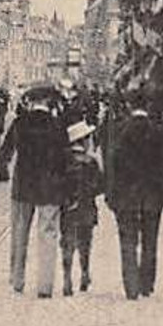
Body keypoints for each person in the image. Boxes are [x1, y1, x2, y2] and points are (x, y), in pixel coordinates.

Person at [0, 89, 70, 298]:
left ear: (31, 102)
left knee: (19, 232)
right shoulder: (58, 126)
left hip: (23, 185)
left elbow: (4, 152)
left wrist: (3, 172)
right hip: (50, 188)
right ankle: (45, 286)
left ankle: (17, 280)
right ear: (49, 102)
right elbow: (66, 159)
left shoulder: (20, 123)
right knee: (48, 234)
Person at [103, 97, 163, 299]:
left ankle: (131, 286)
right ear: (147, 108)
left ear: (129, 107)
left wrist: (110, 195)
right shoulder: (159, 133)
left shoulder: (119, 130)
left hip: (126, 197)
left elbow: (112, 166)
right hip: (152, 197)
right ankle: (147, 284)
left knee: (127, 242)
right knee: (150, 241)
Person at [59, 121, 103, 296]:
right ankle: (84, 272)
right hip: (87, 208)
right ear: (83, 140)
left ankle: (67, 277)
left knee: (67, 242)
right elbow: (100, 185)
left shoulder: (62, 160)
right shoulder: (91, 161)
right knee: (85, 243)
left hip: (67, 208)